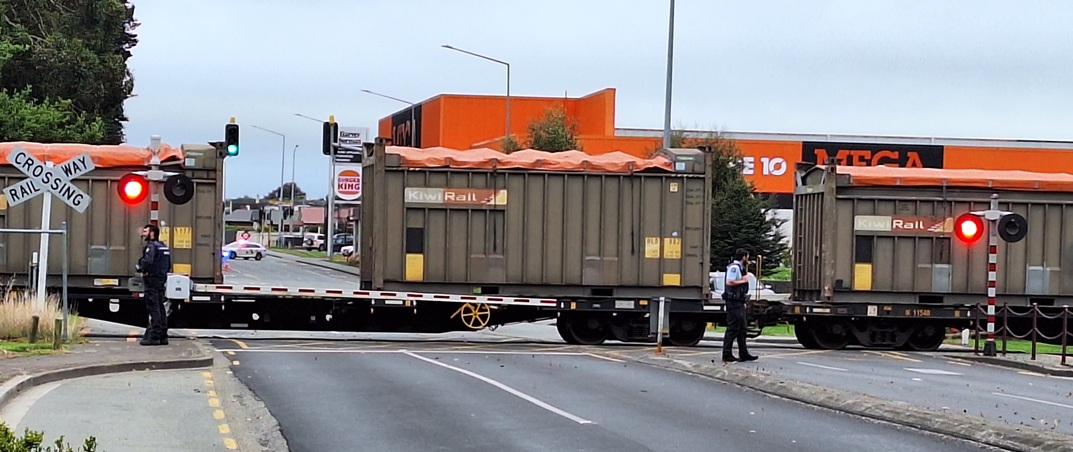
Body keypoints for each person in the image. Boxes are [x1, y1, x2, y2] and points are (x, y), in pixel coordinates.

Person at [137, 224, 171, 346]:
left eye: (145, 231)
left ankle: (154, 336)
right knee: (161, 307)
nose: (143, 233)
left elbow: (148, 261)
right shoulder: (163, 247)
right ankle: (163, 335)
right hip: (161, 278)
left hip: (151, 279)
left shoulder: (151, 247)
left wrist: (141, 267)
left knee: (153, 306)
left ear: (152, 233)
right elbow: (168, 265)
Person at [722, 248, 758, 362]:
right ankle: (726, 354)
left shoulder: (740, 268)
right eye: (747, 257)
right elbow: (729, 281)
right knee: (733, 328)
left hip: (739, 301)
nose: (748, 259)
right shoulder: (734, 267)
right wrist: (744, 279)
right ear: (743, 257)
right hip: (733, 302)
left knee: (742, 329)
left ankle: (744, 353)